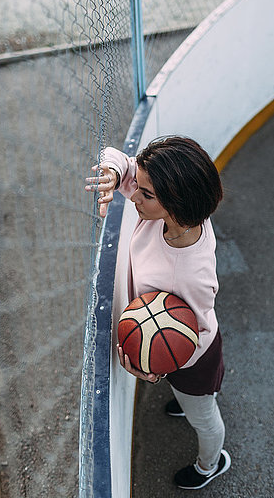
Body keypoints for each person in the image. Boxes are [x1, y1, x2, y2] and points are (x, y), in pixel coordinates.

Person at [85, 136, 231, 490]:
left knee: (204, 416)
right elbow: (117, 158)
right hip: (169, 339)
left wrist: (156, 370)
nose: (133, 195)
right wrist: (112, 171)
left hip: (192, 356)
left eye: (145, 194)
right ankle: (183, 398)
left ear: (176, 204)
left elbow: (191, 335)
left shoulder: (190, 275)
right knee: (186, 399)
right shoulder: (172, 211)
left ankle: (211, 463)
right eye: (139, 185)